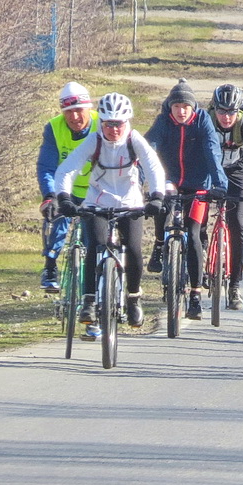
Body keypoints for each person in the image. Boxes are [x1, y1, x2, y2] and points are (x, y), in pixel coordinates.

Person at [54, 92, 165, 332]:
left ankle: (134, 298)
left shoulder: (134, 140)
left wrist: (156, 196)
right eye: (108, 124)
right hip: (98, 201)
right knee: (95, 244)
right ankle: (89, 300)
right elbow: (66, 170)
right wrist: (63, 197)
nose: (114, 129)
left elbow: (153, 166)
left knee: (134, 249)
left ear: (127, 122)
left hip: (130, 202)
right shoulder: (94, 141)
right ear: (101, 122)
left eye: (119, 124)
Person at [145, 79, 228, 321]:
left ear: (193, 108)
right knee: (160, 202)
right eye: (176, 106)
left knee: (193, 236)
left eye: (185, 107)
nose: (181, 111)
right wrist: (140, 179)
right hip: (170, 179)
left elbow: (213, 152)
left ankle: (194, 294)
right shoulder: (163, 122)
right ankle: (160, 244)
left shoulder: (202, 121)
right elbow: (148, 149)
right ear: (169, 108)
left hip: (199, 184)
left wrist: (220, 185)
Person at [36, 82, 99, 292]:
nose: (73, 118)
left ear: (89, 108)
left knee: (96, 240)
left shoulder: (104, 125)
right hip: (66, 190)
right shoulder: (54, 128)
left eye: (78, 111)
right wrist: (49, 195)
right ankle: (50, 266)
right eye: (68, 112)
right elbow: (46, 167)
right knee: (56, 219)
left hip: (97, 192)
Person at [209, 84, 243, 310]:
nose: (226, 117)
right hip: (209, 171)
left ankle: (235, 286)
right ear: (214, 109)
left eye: (231, 112)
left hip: (237, 172)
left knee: (239, 226)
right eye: (222, 111)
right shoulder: (206, 120)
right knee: (196, 219)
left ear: (238, 111)